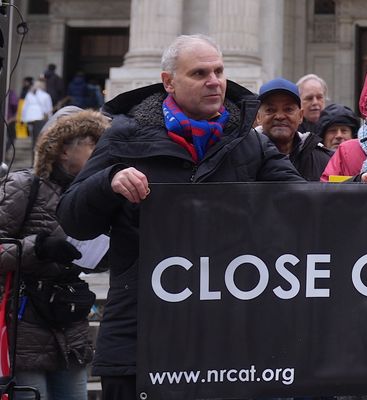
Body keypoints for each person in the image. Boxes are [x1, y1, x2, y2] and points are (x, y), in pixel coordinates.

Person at [56, 34, 304, 400]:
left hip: (227, 340)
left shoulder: (251, 143)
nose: (214, 81)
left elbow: (304, 204)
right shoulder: (125, 137)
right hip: (141, 338)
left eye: (219, 70)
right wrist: (108, 182)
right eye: (200, 73)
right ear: (169, 82)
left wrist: (359, 188)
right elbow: (72, 217)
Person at [0, 108, 107, 400]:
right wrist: (39, 247)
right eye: (91, 145)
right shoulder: (25, 185)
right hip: (27, 325)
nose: (99, 152)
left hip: (70, 322)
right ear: (63, 150)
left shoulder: (91, 193)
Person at [256, 77, 332, 181]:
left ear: (300, 116)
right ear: (258, 117)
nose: (279, 116)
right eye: (270, 110)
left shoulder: (324, 160)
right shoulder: (242, 158)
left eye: (288, 109)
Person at [22, 77, 53, 145]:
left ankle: (33, 148)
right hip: (40, 117)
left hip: (29, 117)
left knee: (33, 135)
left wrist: (23, 118)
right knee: (38, 136)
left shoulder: (29, 94)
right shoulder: (46, 95)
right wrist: (50, 119)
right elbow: (49, 109)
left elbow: (25, 107)